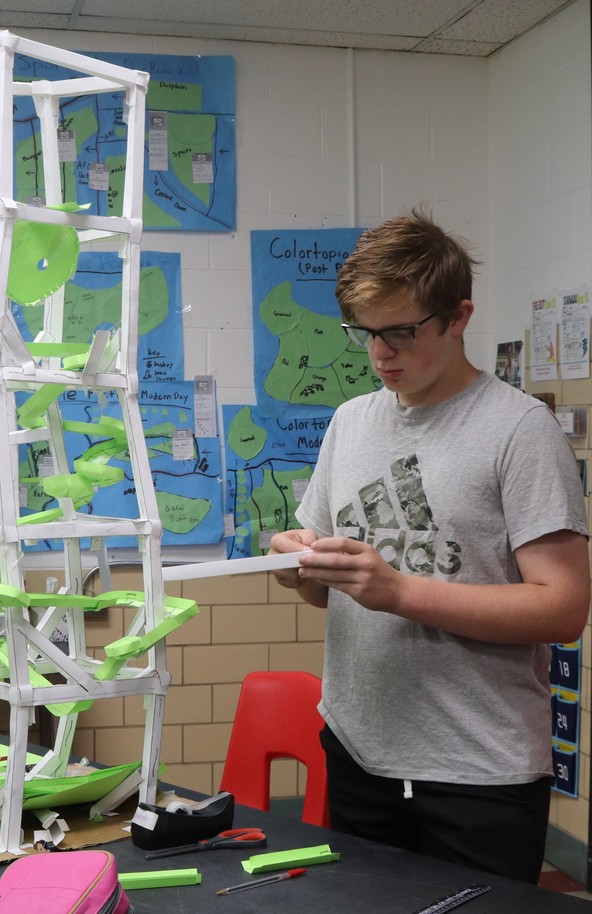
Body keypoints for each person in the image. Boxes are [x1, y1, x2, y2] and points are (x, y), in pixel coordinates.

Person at [268, 208, 590, 884]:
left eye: (402, 332)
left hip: (479, 772)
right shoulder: (349, 422)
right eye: (365, 332)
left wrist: (399, 591)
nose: (381, 353)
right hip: (361, 753)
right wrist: (301, 568)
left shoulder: (518, 430)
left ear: (458, 317)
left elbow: (563, 609)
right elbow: (332, 598)